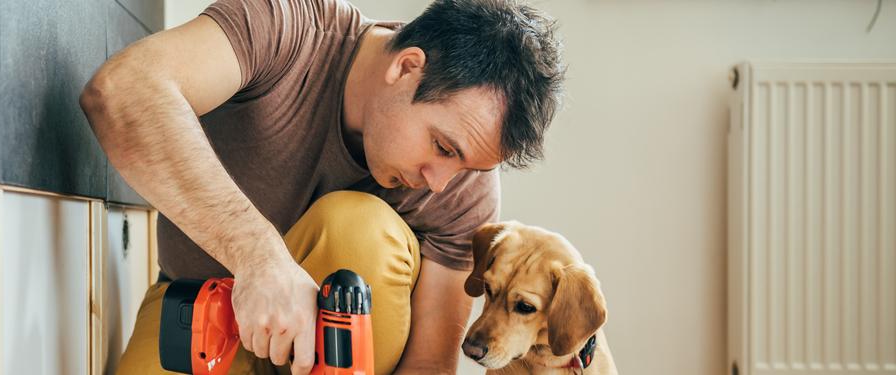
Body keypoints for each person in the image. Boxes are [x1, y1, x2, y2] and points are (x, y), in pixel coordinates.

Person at [80, 0, 563, 373]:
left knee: (356, 227)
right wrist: (259, 259)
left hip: (344, 359)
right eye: (442, 147)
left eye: (467, 168)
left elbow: (427, 366)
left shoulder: (464, 184)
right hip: (201, 313)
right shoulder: (286, 27)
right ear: (406, 67)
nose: (439, 185)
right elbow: (123, 90)